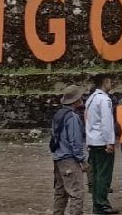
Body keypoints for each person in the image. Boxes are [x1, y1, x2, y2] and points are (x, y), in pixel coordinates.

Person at [51, 85, 89, 215]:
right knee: (76, 193)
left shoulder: (58, 114)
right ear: (76, 101)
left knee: (60, 193)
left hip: (58, 158)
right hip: (69, 159)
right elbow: (75, 142)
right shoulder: (72, 117)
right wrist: (82, 160)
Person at [85, 74, 119, 214]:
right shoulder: (104, 100)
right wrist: (110, 142)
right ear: (105, 82)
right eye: (110, 82)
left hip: (93, 140)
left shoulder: (91, 99)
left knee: (96, 174)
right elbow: (107, 123)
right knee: (104, 175)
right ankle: (102, 203)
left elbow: (88, 120)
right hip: (102, 141)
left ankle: (97, 203)